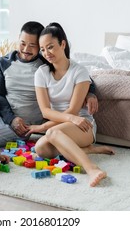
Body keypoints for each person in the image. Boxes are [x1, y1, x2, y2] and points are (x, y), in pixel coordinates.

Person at [0, 21, 98, 147]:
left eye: (32, 46)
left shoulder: (46, 63)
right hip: (1, 114)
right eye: (22, 43)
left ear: (40, 46)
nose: (26, 49)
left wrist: (91, 92)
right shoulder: (3, 62)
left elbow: (75, 73)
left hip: (22, 125)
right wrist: (11, 118)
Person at [34, 22, 114, 187]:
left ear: (62, 44)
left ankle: (92, 169)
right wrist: (66, 120)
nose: (46, 53)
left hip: (83, 124)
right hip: (65, 123)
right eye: (42, 49)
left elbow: (74, 110)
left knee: (52, 134)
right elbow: (45, 111)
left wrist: (46, 127)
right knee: (40, 148)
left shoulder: (80, 72)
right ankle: (88, 150)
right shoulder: (41, 73)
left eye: (50, 47)